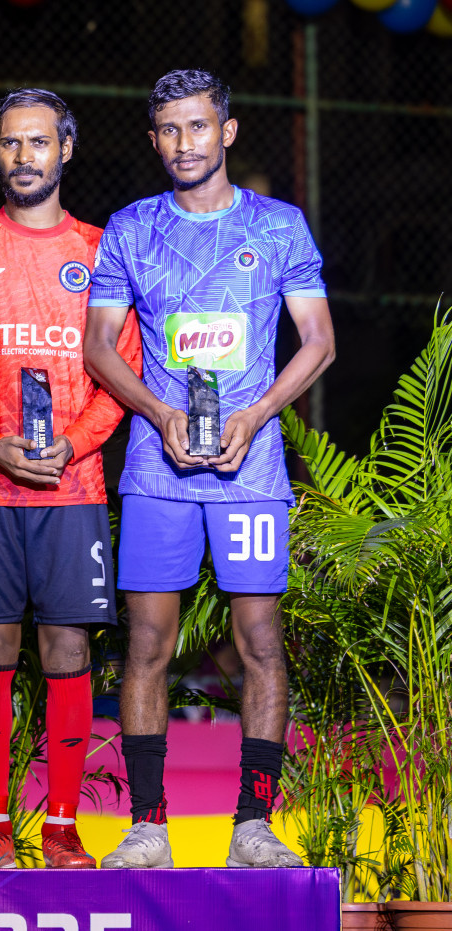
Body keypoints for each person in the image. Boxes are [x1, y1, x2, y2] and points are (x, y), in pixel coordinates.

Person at [83, 69, 334, 868]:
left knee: (260, 639)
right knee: (147, 642)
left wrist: (257, 415)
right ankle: (149, 826)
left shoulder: (281, 226)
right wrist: (157, 414)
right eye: (169, 130)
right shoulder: (129, 228)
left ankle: (253, 826)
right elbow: (98, 346)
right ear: (154, 138)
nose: (184, 143)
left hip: (249, 472)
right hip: (158, 474)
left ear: (226, 131)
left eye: (199, 127)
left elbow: (320, 341)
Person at [0, 89, 141, 869]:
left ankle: (60, 829)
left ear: (67, 149)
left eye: (39, 142)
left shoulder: (102, 247)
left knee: (66, 650)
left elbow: (124, 367)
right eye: (11, 144)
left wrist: (76, 445)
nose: (25, 156)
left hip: (72, 486)